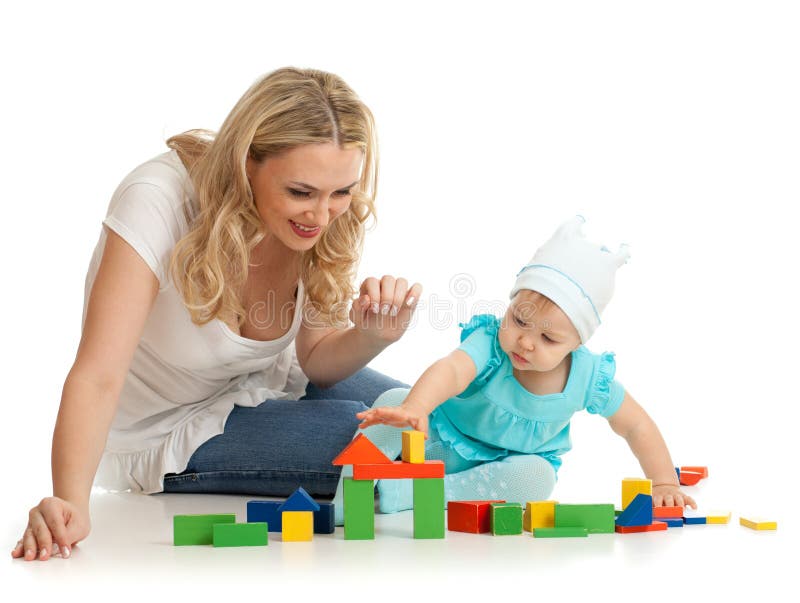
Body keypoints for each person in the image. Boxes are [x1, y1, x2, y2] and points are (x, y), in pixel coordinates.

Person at [12, 67, 421, 561]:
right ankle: (482, 474)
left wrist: (374, 335)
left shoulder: (329, 212)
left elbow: (314, 359)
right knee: (379, 442)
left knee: (427, 412)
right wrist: (68, 501)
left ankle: (510, 460)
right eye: (301, 192)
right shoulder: (158, 201)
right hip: (168, 429)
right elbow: (98, 375)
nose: (321, 215)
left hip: (260, 382)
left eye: (341, 192)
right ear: (246, 162)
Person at [356, 216, 696, 515]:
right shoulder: (490, 344)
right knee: (392, 400)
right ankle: (354, 483)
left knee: (539, 478)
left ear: (578, 343)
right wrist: (416, 407)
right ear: (511, 304)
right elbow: (453, 370)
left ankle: (411, 494)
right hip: (443, 440)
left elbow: (636, 425)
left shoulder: (588, 378)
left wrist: (664, 482)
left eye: (549, 340)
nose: (526, 342)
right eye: (519, 320)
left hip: (501, 471)